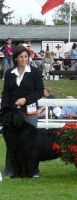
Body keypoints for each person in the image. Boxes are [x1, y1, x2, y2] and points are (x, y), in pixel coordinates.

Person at [1, 45, 44, 178]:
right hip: (13, 114)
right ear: (15, 58)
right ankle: (10, 171)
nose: (24, 59)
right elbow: (6, 93)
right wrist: (4, 110)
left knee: (31, 143)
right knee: (12, 143)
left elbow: (39, 92)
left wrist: (25, 99)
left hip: (30, 109)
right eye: (21, 56)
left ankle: (33, 170)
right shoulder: (9, 73)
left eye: (26, 56)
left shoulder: (35, 72)